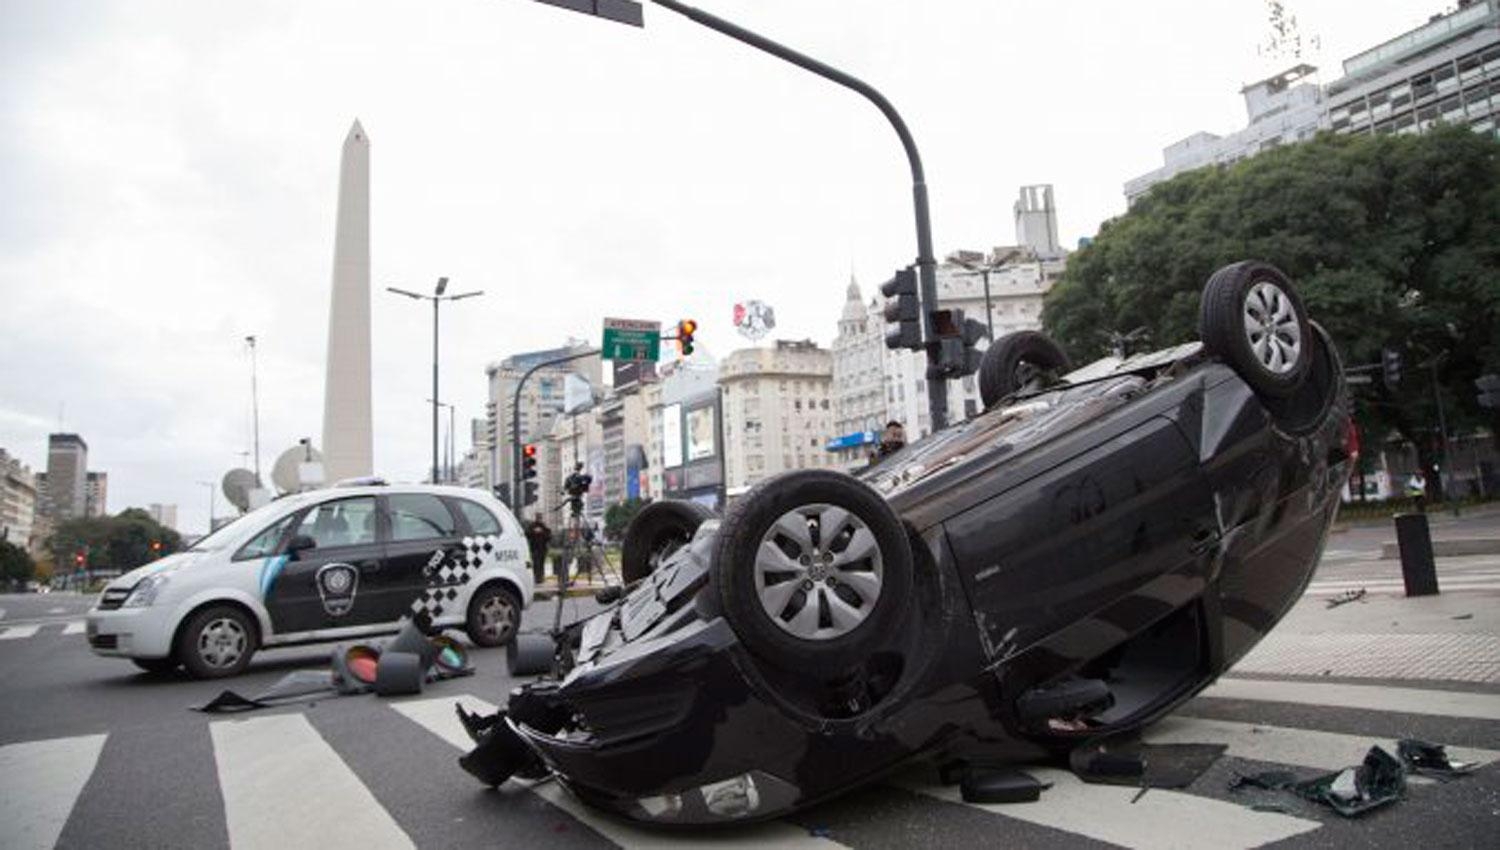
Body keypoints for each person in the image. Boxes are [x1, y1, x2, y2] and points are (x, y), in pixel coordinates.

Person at [524, 517, 551, 584]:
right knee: (536, 563)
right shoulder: (532, 526)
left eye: (540, 518)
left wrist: (542, 532)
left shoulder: (544, 527)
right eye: (538, 518)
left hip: (542, 549)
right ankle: (536, 578)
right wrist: (534, 531)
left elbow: (549, 536)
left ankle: (541, 577)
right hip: (534, 548)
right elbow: (527, 534)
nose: (539, 520)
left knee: (541, 563)